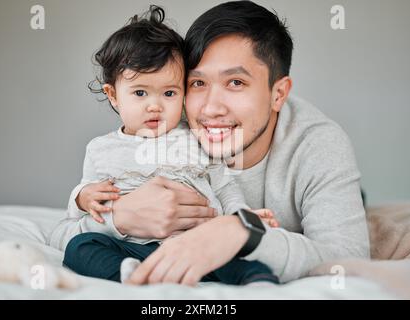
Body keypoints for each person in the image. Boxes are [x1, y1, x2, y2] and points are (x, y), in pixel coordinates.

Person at [50, 1, 370, 285]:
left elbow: (348, 261)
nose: (211, 108)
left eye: (235, 82)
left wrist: (244, 233)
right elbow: (64, 233)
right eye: (198, 83)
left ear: (278, 93)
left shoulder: (318, 144)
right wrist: (118, 219)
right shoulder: (171, 122)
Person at [57, 5, 279, 286]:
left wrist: (239, 216)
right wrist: (82, 196)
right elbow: (84, 202)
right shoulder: (102, 150)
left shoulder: (195, 136)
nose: (155, 106)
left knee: (246, 262)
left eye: (170, 93)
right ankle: (133, 275)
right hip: (136, 248)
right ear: (113, 95)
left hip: (199, 246)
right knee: (81, 247)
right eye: (140, 92)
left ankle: (259, 283)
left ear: (184, 92)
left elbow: (224, 185)